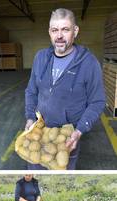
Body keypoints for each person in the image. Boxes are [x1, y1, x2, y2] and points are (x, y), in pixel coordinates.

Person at [24, 8, 105, 170]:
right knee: (35, 170)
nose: (59, 35)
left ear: (75, 31)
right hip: (39, 130)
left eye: (65, 29)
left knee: (62, 175)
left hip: (66, 136)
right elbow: (31, 91)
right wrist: (30, 118)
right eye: (55, 30)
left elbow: (97, 102)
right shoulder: (41, 58)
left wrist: (79, 130)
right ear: (49, 32)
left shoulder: (88, 63)